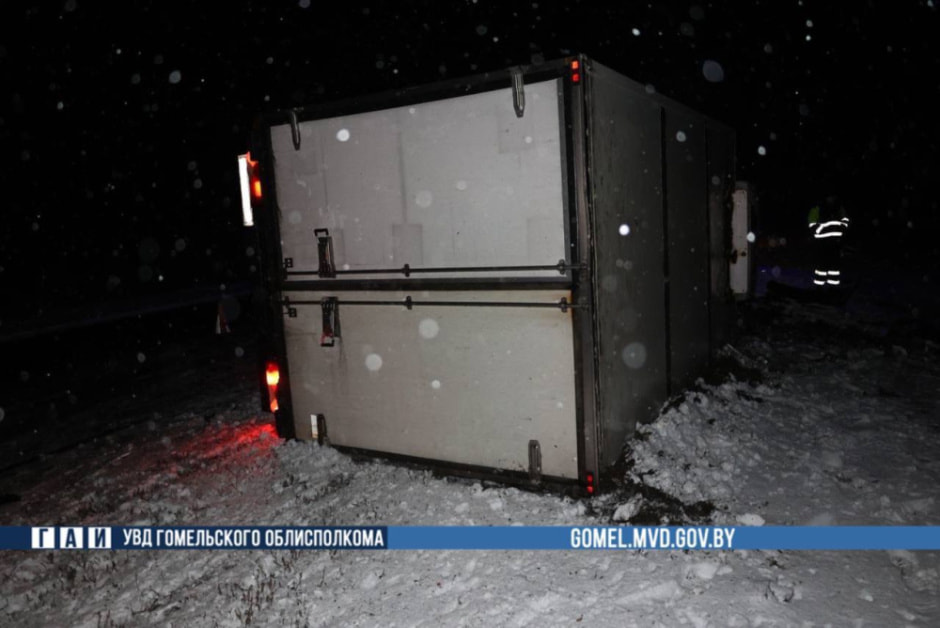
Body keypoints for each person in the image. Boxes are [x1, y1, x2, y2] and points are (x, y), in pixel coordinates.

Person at [807, 200, 849, 288]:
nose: (831, 198)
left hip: (836, 242)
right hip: (822, 243)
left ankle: (833, 289)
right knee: (822, 267)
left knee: (834, 268)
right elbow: (812, 223)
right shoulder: (818, 207)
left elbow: (845, 219)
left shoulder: (839, 206)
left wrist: (842, 228)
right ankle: (819, 289)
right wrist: (819, 229)